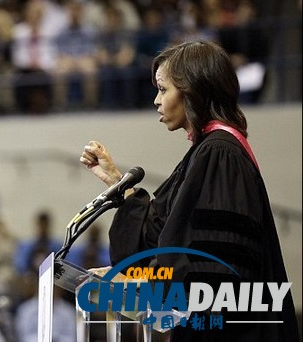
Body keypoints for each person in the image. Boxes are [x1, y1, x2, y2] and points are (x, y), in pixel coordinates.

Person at [79, 40, 299, 341]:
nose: (156, 100)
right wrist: (117, 182)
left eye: (163, 89)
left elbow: (213, 266)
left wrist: (144, 283)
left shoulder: (220, 154)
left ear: (193, 90)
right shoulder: (206, 153)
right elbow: (164, 234)